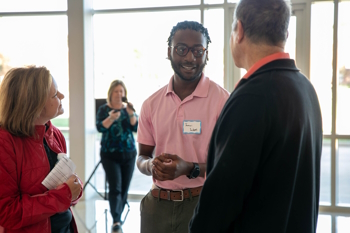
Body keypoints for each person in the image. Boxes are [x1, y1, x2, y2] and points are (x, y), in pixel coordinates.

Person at [189, 0, 323, 232]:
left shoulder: (252, 97)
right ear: (285, 32)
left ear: (239, 31)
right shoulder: (305, 88)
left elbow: (220, 201)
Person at [136, 20, 230, 233]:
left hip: (202, 204)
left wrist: (189, 168)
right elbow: (142, 157)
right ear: (169, 52)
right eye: (181, 49)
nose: (190, 57)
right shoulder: (151, 104)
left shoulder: (223, 101)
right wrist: (151, 166)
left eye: (198, 50)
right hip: (156, 207)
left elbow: (229, 164)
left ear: (207, 54)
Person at [0, 66, 83, 233]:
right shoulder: (5, 143)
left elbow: (64, 190)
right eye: (55, 95)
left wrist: (73, 188)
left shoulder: (54, 133)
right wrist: (65, 195)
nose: (62, 96)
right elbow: (7, 212)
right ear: (33, 104)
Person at [96, 80, 138, 233]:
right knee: (115, 187)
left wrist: (132, 113)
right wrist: (111, 118)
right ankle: (116, 220)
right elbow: (100, 127)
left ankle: (118, 213)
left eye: (122, 91)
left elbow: (135, 127)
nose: (119, 94)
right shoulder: (103, 109)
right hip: (110, 155)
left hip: (129, 154)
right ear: (111, 93)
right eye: (116, 91)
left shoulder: (128, 110)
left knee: (124, 188)